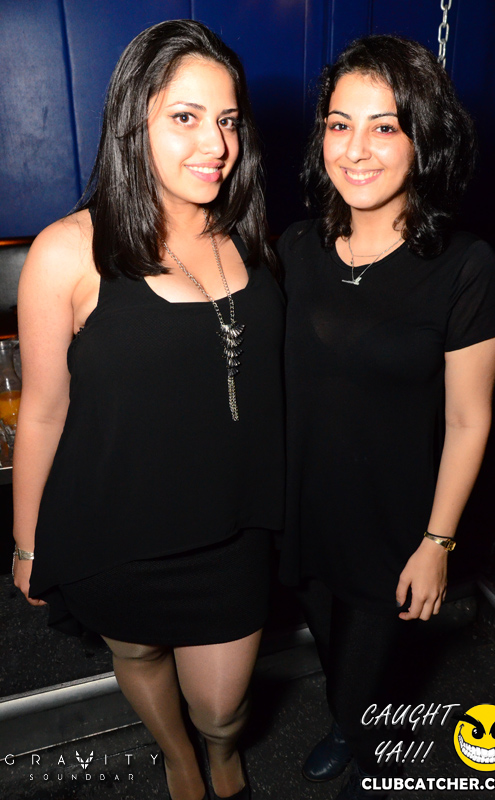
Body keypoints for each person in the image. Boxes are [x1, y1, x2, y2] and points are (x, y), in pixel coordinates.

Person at [12, 20, 284, 800]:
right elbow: (43, 411)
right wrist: (27, 541)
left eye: (227, 119)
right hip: (114, 524)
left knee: (223, 705)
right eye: (185, 117)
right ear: (133, 122)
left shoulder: (249, 234)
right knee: (136, 654)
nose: (215, 144)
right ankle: (177, 758)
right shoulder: (67, 251)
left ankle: (219, 747)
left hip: (232, 525)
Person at [278, 35, 495, 800]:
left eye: (384, 127)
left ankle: (368, 746)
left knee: (366, 672)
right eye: (338, 124)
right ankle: (349, 725)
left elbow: (469, 420)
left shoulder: (464, 266)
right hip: (306, 512)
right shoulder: (295, 248)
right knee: (331, 642)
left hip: (395, 523)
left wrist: (436, 543)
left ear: (423, 139)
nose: (355, 149)